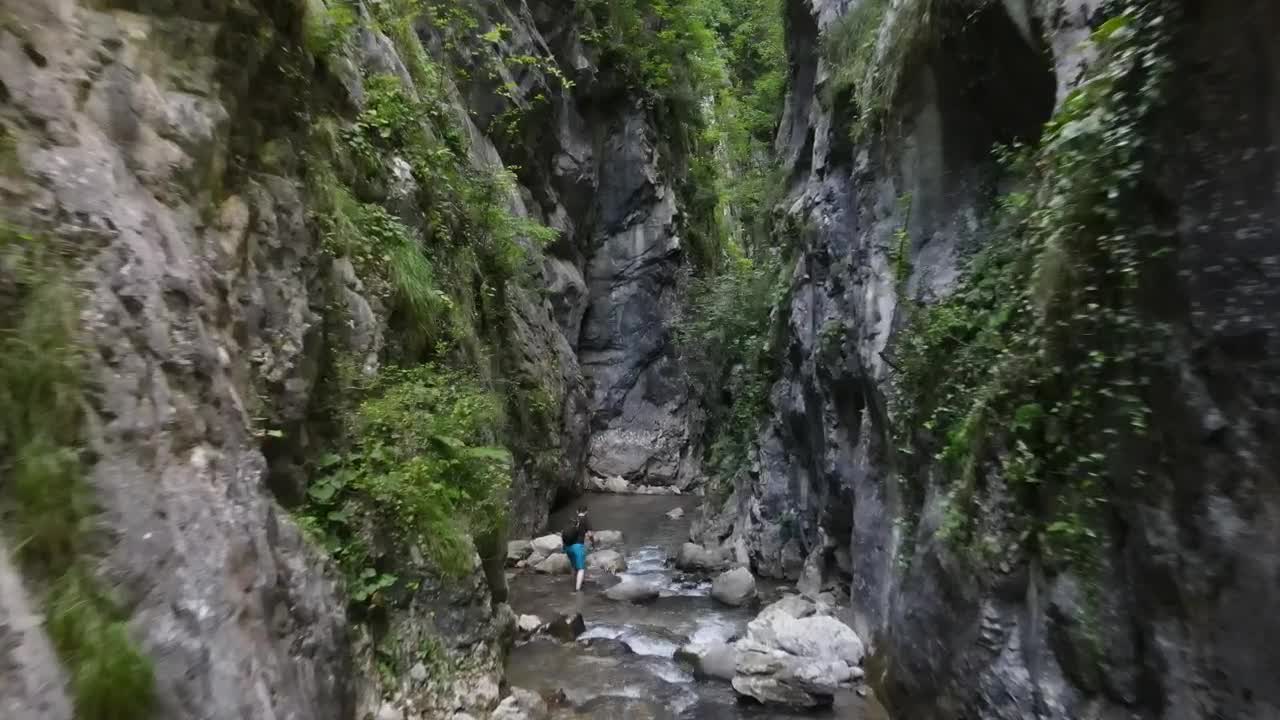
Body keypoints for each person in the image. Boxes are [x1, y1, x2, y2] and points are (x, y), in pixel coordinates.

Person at [561, 505, 593, 592]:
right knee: (581, 569)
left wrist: (564, 546)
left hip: (568, 546)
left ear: (577, 511)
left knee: (574, 566)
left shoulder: (572, 520)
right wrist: (593, 541)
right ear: (586, 512)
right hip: (577, 547)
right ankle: (577, 590)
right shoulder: (585, 520)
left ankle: (575, 582)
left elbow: (564, 532)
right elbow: (590, 534)